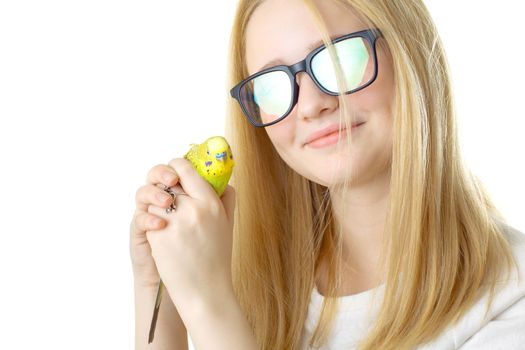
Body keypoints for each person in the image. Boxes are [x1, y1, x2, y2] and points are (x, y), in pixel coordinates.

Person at [129, 0, 525, 349]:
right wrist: (160, 290)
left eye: (339, 59)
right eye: (272, 84)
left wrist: (208, 303)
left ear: (409, 53)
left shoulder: (509, 300)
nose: (311, 105)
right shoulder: (257, 278)